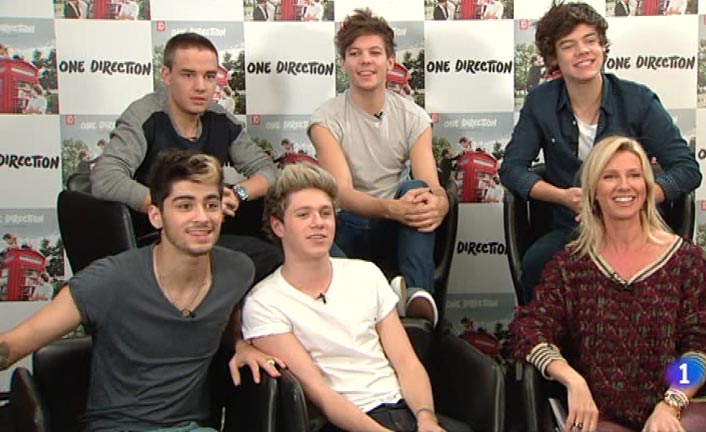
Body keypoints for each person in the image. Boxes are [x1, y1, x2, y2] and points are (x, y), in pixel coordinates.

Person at [0, 150, 281, 430]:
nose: (202, 217)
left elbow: (224, 316)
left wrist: (241, 344)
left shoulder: (237, 270)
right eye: (185, 206)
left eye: (211, 205)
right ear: (157, 216)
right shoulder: (110, 278)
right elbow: (16, 343)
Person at [511, 136, 706, 432]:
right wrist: (573, 381)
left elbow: (701, 346)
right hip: (607, 411)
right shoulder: (571, 265)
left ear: (647, 186)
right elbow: (530, 329)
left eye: (634, 175)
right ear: (592, 191)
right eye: (610, 177)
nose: (624, 186)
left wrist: (671, 403)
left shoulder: (684, 259)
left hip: (686, 401)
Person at [241, 163, 471, 432]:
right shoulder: (264, 302)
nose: (318, 223)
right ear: (278, 226)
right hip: (344, 422)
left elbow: (406, 361)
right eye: (304, 214)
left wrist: (426, 418)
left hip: (403, 410)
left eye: (325, 212)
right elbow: (318, 392)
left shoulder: (366, 274)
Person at [499, 2, 701, 304]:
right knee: (536, 264)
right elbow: (511, 170)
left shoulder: (638, 99)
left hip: (634, 226)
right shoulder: (540, 102)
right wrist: (563, 196)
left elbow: (687, 170)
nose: (583, 51)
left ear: (603, 46)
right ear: (553, 57)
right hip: (573, 227)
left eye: (590, 40)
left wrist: (639, 197)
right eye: (569, 45)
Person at [90, 32, 281, 281]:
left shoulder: (219, 118)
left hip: (209, 234)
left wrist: (238, 194)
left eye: (209, 76)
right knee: (267, 259)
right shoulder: (144, 115)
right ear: (166, 75)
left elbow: (267, 170)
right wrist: (177, 207)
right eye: (188, 75)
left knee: (278, 252)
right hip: (158, 240)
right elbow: (105, 178)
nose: (201, 86)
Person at [308, 9, 449, 326]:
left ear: (390, 62)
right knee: (312, 222)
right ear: (344, 63)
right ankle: (374, 298)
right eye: (355, 54)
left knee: (418, 191)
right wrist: (391, 209)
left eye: (374, 53)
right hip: (348, 225)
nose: (365, 61)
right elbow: (342, 193)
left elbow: (431, 184)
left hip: (396, 227)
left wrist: (440, 202)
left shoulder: (413, 116)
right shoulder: (325, 119)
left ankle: (415, 298)